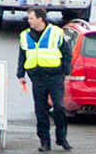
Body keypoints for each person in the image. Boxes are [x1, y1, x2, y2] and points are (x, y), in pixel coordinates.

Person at [17, 10, 72, 152]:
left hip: (55, 76)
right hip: (37, 77)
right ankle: (44, 142)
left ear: (40, 19)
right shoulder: (25, 35)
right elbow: (22, 55)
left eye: (31, 18)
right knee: (40, 111)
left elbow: (66, 52)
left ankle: (61, 138)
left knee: (59, 107)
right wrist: (20, 74)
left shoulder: (56, 32)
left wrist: (65, 71)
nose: (28, 20)